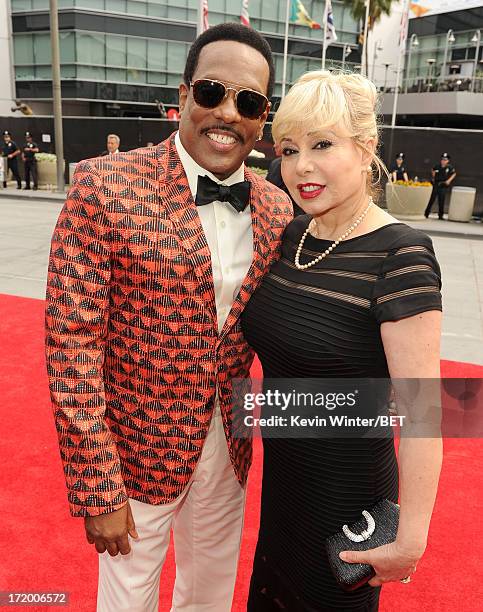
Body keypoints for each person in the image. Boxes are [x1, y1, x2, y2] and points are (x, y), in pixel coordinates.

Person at [45, 22, 292, 612]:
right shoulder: (102, 186)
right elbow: (72, 349)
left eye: (248, 101)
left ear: (263, 119)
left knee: (209, 596)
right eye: (212, 93)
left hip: (228, 448)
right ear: (182, 97)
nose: (227, 113)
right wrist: (97, 487)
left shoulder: (278, 208)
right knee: (128, 600)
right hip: (135, 455)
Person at [241, 70, 443, 611]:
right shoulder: (292, 237)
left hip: (346, 501)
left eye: (322, 144)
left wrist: (411, 540)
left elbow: (424, 413)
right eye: (289, 149)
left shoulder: (401, 254)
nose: (301, 166)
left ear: (366, 147)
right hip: (283, 491)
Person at [424, 152, 456, 220]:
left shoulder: (449, 167)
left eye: (445, 160)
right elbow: (433, 170)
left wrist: (448, 181)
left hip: (443, 185)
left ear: (448, 161)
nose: (443, 161)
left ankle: (440, 215)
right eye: (442, 160)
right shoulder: (437, 166)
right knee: (431, 199)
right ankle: (426, 213)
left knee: (441, 200)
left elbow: (454, 174)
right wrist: (433, 176)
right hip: (436, 184)